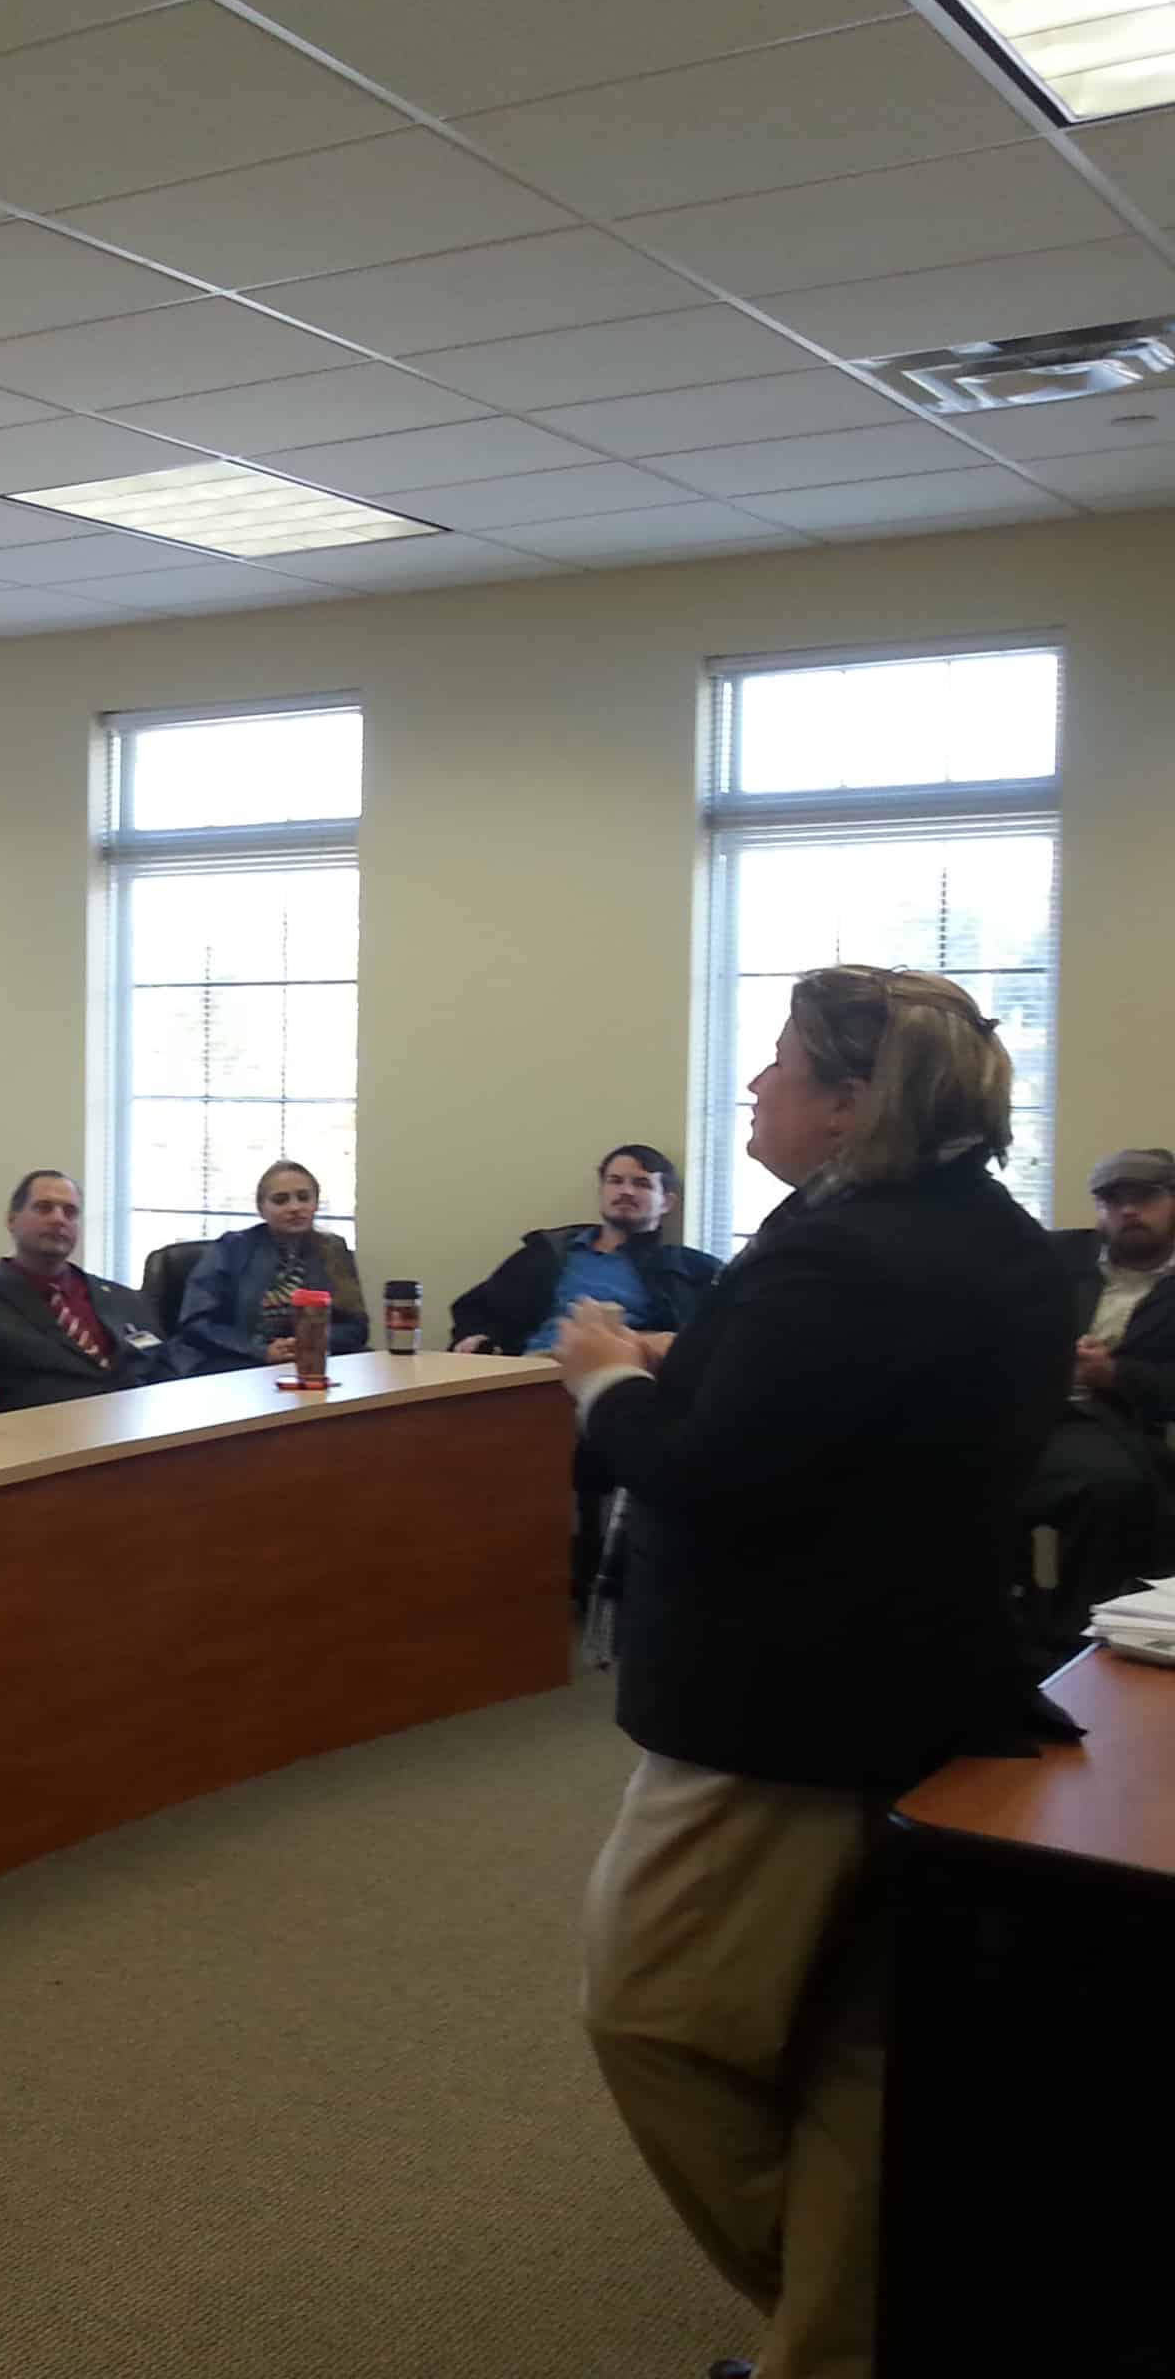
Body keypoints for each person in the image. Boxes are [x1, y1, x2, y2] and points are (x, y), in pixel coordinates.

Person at [555, 965, 1068, 2379]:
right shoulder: (998, 1240)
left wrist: (607, 1378)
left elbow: (713, 1473)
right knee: (856, 2044)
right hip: (926, 1683)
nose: (758, 1087)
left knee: (651, 2012)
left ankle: (886, 2315)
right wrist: (685, 1353)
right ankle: (831, 2346)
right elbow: (833, 1419)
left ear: (854, 1101)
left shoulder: (841, 1255)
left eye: (782, 1064)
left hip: (779, 1711)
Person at [1017, 1144, 1175, 1661]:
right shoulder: (1055, 1256)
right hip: (1026, 1413)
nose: (1128, 1211)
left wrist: (1115, 1375)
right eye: (1112, 1199)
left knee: (1111, 1489)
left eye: (1146, 1197)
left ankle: (1080, 1643)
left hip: (1118, 1425)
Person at [0, 1170, 170, 1412]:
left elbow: (163, 1368)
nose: (58, 1219)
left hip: (140, 1432)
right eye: (44, 1208)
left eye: (70, 1212)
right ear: (11, 1220)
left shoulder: (125, 1299)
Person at [449, 1144, 723, 1355]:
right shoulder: (550, 1252)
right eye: (615, 1181)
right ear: (602, 1191)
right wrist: (476, 1337)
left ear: (666, 1202)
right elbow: (476, 1309)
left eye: (641, 1183)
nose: (625, 1191)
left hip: (617, 1380)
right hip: (530, 1373)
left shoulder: (687, 1269)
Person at [171, 1161, 370, 1375]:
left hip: (314, 1360)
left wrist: (308, 1342)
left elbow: (356, 1327)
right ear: (261, 1209)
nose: (295, 1208)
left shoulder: (333, 1250)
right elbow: (196, 1323)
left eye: (304, 1197)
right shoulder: (231, 1249)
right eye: (280, 1200)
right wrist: (260, 1351)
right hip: (238, 1362)